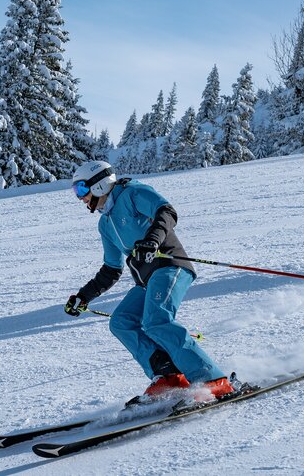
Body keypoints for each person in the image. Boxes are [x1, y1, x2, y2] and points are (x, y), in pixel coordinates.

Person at [63, 160, 233, 403]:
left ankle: (213, 379)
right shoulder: (105, 223)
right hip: (146, 281)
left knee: (157, 321)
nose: (79, 197)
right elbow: (111, 269)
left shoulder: (131, 192)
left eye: (81, 189)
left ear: (99, 184)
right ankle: (168, 375)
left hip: (170, 266)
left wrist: (152, 241)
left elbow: (166, 211)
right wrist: (83, 297)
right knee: (121, 322)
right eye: (75, 192)